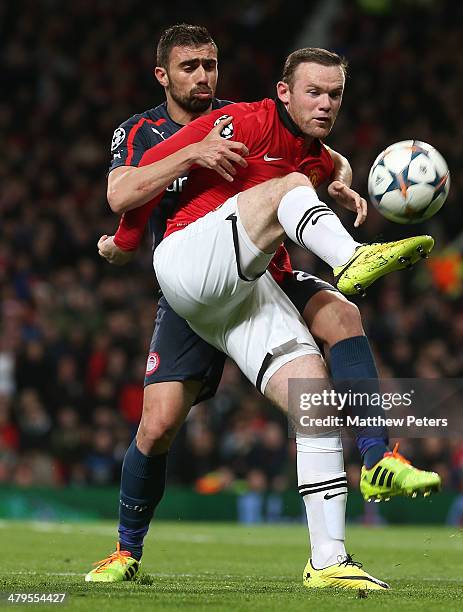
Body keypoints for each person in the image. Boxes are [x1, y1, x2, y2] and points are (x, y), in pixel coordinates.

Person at [87, 29, 439, 589]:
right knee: (155, 429)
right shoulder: (141, 131)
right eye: (190, 67)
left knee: (315, 399)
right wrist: (186, 160)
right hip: (191, 275)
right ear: (164, 76)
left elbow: (321, 152)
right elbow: (122, 196)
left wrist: (343, 180)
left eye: (210, 65)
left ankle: (329, 558)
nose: (203, 76)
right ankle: (125, 551)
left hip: (251, 281)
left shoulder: (245, 116)